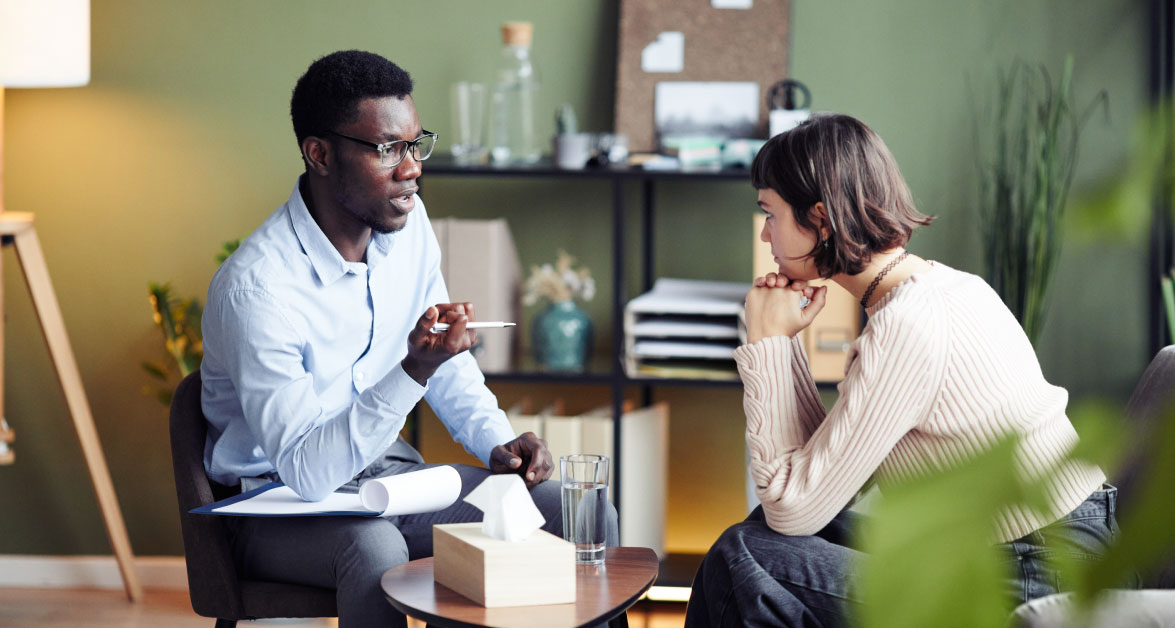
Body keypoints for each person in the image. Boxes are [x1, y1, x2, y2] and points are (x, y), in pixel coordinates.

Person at [199, 50, 617, 628]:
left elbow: (446, 356)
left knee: (567, 510)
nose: (412, 167)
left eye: (416, 144)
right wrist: (411, 371)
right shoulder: (258, 290)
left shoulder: (407, 225)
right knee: (374, 551)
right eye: (387, 149)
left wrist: (496, 443)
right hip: (277, 505)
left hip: (389, 480)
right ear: (319, 154)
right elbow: (309, 473)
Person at [685, 113, 1114, 627]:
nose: (766, 238)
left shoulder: (907, 325)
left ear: (819, 219)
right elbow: (814, 482)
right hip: (1045, 545)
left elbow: (793, 506)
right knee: (760, 538)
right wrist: (785, 345)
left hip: (1037, 573)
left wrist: (770, 343)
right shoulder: (945, 288)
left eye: (770, 215)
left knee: (746, 553)